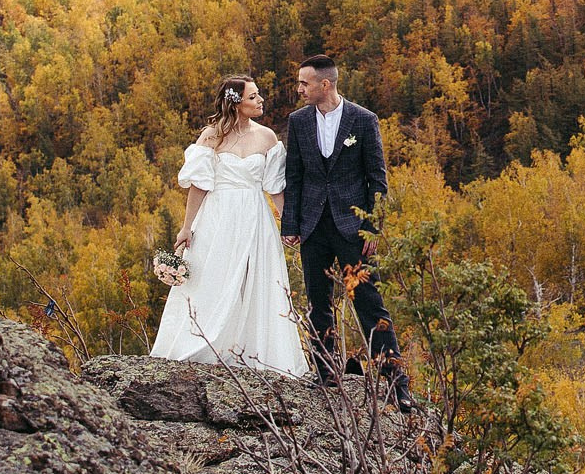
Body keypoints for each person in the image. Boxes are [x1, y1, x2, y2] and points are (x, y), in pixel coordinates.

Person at [150, 74, 305, 376]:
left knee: (257, 279)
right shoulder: (211, 136)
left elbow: (274, 187)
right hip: (218, 214)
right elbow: (200, 185)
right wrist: (186, 227)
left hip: (255, 215)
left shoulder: (267, 137)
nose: (260, 100)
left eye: (258, 95)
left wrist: (289, 224)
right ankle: (200, 344)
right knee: (211, 276)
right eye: (253, 97)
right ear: (236, 104)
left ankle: (257, 352)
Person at [279, 54, 405, 397]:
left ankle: (397, 384)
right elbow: (295, 175)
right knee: (318, 304)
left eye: (304, 83)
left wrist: (372, 228)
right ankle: (326, 374)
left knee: (369, 302)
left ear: (325, 84)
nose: (299, 89)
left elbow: (377, 180)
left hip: (353, 229)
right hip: (314, 227)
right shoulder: (299, 121)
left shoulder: (363, 120)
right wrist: (290, 224)